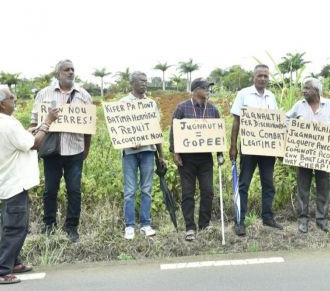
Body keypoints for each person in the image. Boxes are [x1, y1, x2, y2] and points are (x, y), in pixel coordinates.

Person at [0, 86, 58, 284]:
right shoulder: (7, 125)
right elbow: (35, 144)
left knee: (10, 223)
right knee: (15, 226)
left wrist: (29, 132)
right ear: (2, 103)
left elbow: (20, 140)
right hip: (14, 181)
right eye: (12, 98)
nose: (15, 100)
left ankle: (13, 262)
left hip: (7, 180)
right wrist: (47, 121)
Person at [31, 59, 92, 242]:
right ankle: (49, 225)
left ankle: (72, 228)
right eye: (66, 70)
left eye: (73, 69)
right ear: (58, 74)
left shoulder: (83, 95)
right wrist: (35, 145)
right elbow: (35, 121)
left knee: (74, 191)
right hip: (52, 151)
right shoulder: (44, 94)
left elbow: (89, 127)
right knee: (50, 190)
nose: (71, 72)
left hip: (75, 151)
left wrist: (86, 150)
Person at [286, 77, 330, 233]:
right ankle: (303, 220)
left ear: (316, 91)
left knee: (323, 186)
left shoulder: (329, 105)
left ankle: (321, 219)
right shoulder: (299, 105)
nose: (304, 91)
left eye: (307, 88)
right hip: (303, 153)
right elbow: (286, 118)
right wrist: (293, 130)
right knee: (303, 187)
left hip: (323, 154)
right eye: (303, 88)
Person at [229, 64, 282, 236]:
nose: (263, 79)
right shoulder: (243, 94)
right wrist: (233, 146)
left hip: (267, 150)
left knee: (268, 183)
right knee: (244, 184)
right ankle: (240, 221)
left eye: (266, 76)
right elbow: (236, 121)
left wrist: (280, 149)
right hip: (249, 148)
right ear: (254, 77)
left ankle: (267, 217)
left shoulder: (271, 97)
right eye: (260, 75)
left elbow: (276, 124)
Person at [170, 78, 224, 241]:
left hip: (205, 158)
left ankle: (204, 224)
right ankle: (190, 227)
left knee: (208, 191)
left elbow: (217, 134)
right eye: (204, 87)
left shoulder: (213, 110)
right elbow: (174, 131)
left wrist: (219, 153)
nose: (208, 90)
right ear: (195, 90)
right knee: (188, 193)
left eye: (209, 87)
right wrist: (175, 152)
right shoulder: (182, 108)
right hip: (187, 159)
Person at [121, 71, 166, 239]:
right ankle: (130, 226)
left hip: (148, 151)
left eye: (146, 81)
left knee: (147, 189)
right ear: (132, 83)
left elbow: (156, 129)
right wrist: (129, 141)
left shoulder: (150, 103)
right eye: (141, 81)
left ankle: (146, 224)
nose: (144, 83)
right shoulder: (123, 103)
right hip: (129, 152)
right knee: (130, 190)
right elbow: (118, 130)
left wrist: (160, 155)